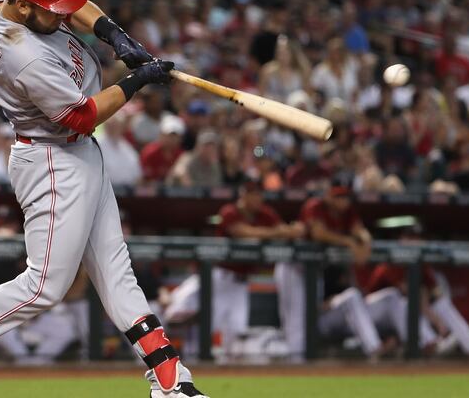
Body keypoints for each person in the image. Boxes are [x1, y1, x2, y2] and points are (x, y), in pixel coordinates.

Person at [0, 0, 208, 398]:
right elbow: (81, 117)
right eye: (52, 9)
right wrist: (136, 80)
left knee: (115, 269)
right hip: (52, 157)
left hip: (77, 153)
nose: (64, 15)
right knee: (44, 287)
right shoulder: (22, 57)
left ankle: (169, 378)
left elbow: (76, 1)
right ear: (24, 8)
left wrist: (112, 34)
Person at [164, 179, 305, 359]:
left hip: (240, 284)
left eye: (259, 194)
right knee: (198, 322)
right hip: (218, 277)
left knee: (236, 336)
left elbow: (288, 232)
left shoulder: (265, 214)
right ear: (243, 195)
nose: (257, 199)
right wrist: (275, 233)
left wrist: (288, 230)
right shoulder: (229, 211)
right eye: (253, 194)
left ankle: (225, 377)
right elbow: (242, 232)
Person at [275, 183, 385, 360]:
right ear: (328, 196)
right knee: (296, 318)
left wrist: (365, 241)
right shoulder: (315, 206)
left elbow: (361, 231)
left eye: (345, 197)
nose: (342, 201)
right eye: (337, 197)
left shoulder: (348, 213)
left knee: (311, 317)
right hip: (293, 267)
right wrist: (349, 241)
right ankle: (295, 363)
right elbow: (319, 233)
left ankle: (305, 360)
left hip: (315, 270)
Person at [96, 111, 142, 186]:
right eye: (111, 125)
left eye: (116, 125)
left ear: (121, 127)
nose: (113, 128)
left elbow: (137, 172)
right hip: (107, 190)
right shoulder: (97, 144)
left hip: (129, 191)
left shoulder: (126, 146)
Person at [140, 115, 185, 183]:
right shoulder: (149, 153)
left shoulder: (182, 155)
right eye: (167, 135)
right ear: (160, 135)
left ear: (180, 138)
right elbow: (144, 180)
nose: (170, 139)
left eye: (174, 136)